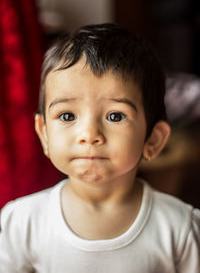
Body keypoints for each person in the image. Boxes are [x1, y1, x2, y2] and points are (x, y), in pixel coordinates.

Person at [0, 23, 199, 273]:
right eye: (67, 116)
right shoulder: (23, 223)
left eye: (115, 116)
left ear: (153, 140)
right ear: (44, 134)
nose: (89, 134)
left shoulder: (179, 228)